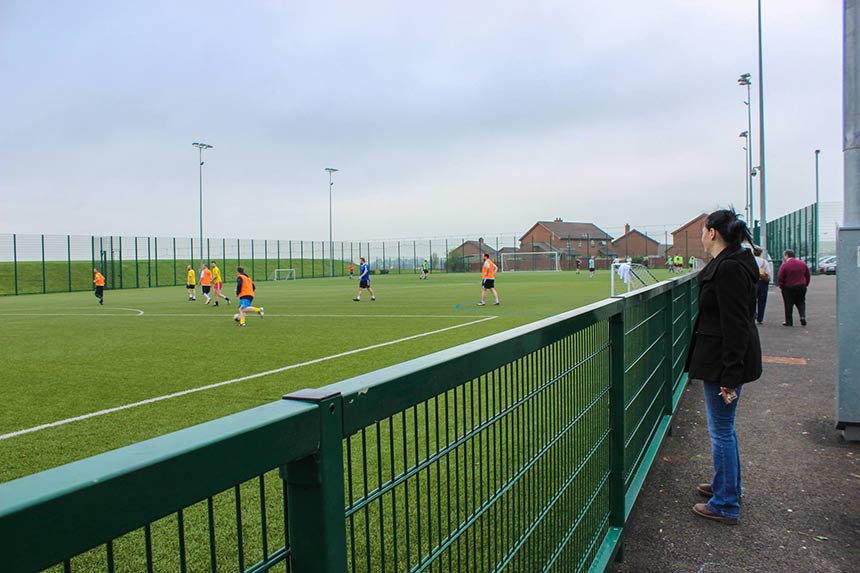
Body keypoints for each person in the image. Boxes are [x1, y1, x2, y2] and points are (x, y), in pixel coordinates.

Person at [685, 208, 762, 525]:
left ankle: (726, 503)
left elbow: (735, 326)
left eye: (703, 230)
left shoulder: (729, 268)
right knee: (724, 430)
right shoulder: (735, 261)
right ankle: (727, 487)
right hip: (723, 362)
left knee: (721, 432)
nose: (701, 236)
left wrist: (729, 376)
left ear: (713, 232)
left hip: (723, 365)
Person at [777, 249, 811, 327]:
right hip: (801, 286)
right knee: (801, 302)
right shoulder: (802, 263)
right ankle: (802, 316)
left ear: (786, 255)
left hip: (789, 287)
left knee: (788, 304)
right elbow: (807, 275)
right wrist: (806, 284)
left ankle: (789, 321)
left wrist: (781, 285)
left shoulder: (785, 265)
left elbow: (780, 276)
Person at [752, 247, 770, 324]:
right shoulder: (764, 262)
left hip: (753, 282)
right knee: (762, 300)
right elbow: (768, 273)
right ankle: (760, 318)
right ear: (761, 253)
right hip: (762, 282)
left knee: (752, 300)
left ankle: (752, 316)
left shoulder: (751, 260)